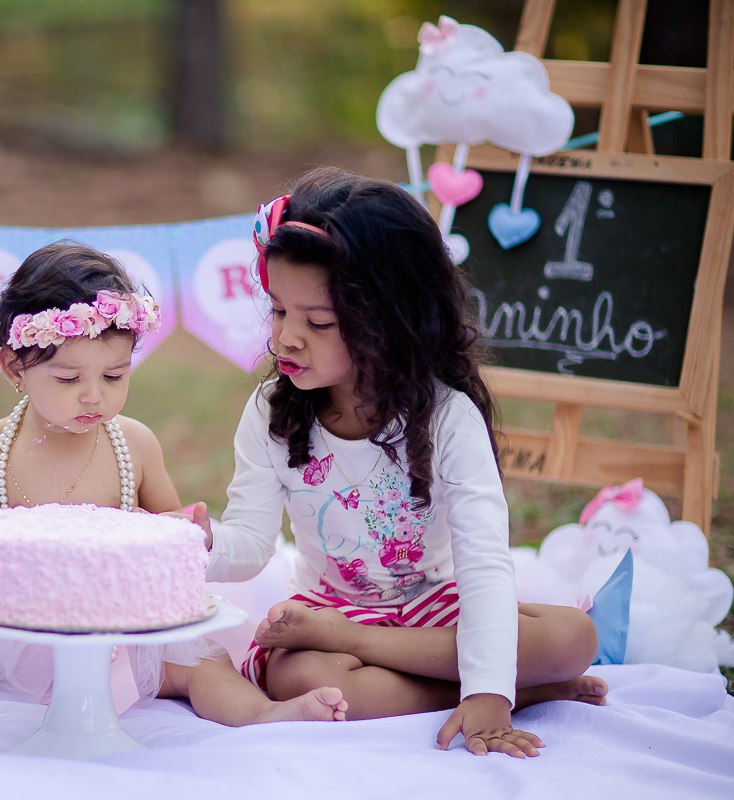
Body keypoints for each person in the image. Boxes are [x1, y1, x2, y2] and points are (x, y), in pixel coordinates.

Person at [0, 242, 348, 730]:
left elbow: (172, 538)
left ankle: (261, 714)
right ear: (14, 367)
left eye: (114, 376)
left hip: (120, 625)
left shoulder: (134, 445)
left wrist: (177, 534)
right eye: (67, 379)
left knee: (205, 660)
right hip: (15, 616)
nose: (93, 396)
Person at [197, 168, 606, 758]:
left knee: (573, 634)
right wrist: (201, 544)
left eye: (316, 322)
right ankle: (527, 687)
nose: (285, 337)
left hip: (435, 607)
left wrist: (489, 690)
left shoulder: (447, 417)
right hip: (323, 611)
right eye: (279, 310)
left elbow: (485, 564)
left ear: (389, 322)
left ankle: (490, 681)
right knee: (306, 681)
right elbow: (252, 541)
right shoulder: (271, 412)